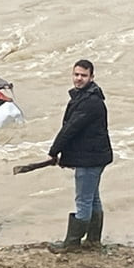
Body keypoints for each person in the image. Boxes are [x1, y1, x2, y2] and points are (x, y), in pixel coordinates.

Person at [47, 60, 113, 252]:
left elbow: (70, 129)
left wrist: (54, 151)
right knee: (93, 198)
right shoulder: (86, 97)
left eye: (83, 75)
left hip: (90, 158)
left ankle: (72, 243)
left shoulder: (90, 103)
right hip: (95, 156)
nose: (78, 78)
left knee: (83, 200)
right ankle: (93, 240)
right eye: (76, 74)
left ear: (92, 77)